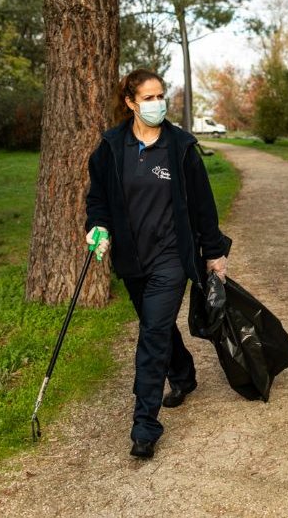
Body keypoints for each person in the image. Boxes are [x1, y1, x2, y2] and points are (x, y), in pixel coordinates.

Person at [85, 69, 230, 458]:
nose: (157, 104)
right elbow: (97, 198)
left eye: (160, 96)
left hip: (171, 257)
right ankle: (183, 374)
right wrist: (96, 226)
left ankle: (144, 425)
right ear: (131, 103)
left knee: (151, 333)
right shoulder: (111, 147)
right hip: (132, 258)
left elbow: (203, 206)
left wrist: (214, 254)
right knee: (159, 327)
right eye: (148, 98)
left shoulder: (179, 146)